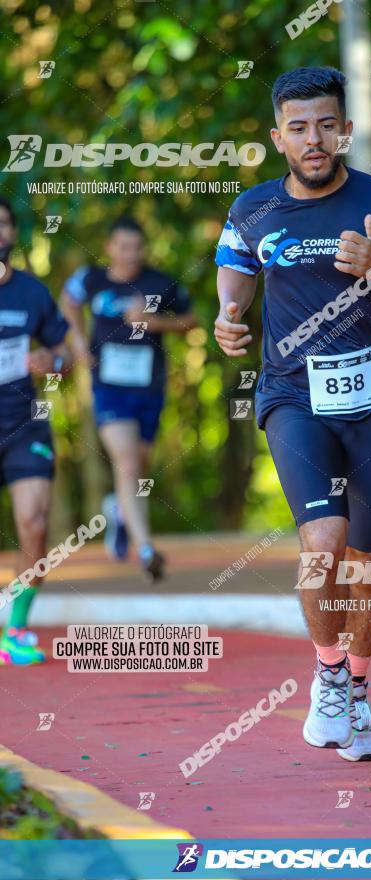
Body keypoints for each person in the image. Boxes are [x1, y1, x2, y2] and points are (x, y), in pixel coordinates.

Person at [214, 67, 371, 761]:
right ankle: (325, 675)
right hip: (293, 396)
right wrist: (229, 315)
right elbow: (235, 270)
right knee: (323, 541)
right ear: (277, 137)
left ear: (343, 129)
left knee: (369, 559)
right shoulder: (255, 207)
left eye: (324, 125)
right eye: (298, 127)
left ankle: (359, 689)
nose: (312, 140)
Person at [60, 216, 196, 582]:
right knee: (128, 464)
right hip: (109, 386)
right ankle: (147, 549)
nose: (129, 254)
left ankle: (119, 514)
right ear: (109, 248)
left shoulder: (160, 283)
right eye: (122, 247)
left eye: (136, 247)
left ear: (143, 248)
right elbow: (68, 302)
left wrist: (154, 322)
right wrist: (77, 342)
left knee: (140, 465)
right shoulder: (91, 279)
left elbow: (192, 320)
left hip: (149, 388)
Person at [0, 197, 72, 665]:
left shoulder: (32, 292)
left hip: (25, 423)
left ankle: (16, 627)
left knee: (35, 526)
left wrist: (55, 362)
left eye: (3, 223)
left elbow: (64, 349)